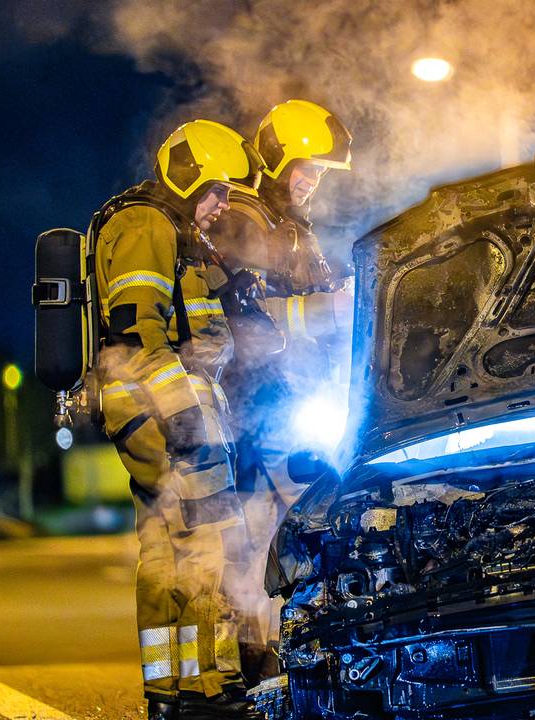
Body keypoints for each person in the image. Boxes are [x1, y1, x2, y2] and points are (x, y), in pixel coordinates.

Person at [93, 119, 264, 719]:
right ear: (187, 178)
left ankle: (169, 693)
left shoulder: (169, 230)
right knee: (212, 542)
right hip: (161, 407)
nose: (220, 205)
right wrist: (185, 414)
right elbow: (138, 331)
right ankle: (213, 690)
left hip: (141, 408)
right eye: (216, 190)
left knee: (166, 548)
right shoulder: (147, 224)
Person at [206, 99, 354, 685]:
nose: (312, 182)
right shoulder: (244, 220)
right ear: (275, 158)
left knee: (288, 536)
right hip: (256, 410)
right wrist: (330, 308)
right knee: (265, 539)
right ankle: (263, 668)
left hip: (289, 407)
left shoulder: (292, 231)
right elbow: (246, 318)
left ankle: (284, 664)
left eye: (319, 172)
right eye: (305, 167)